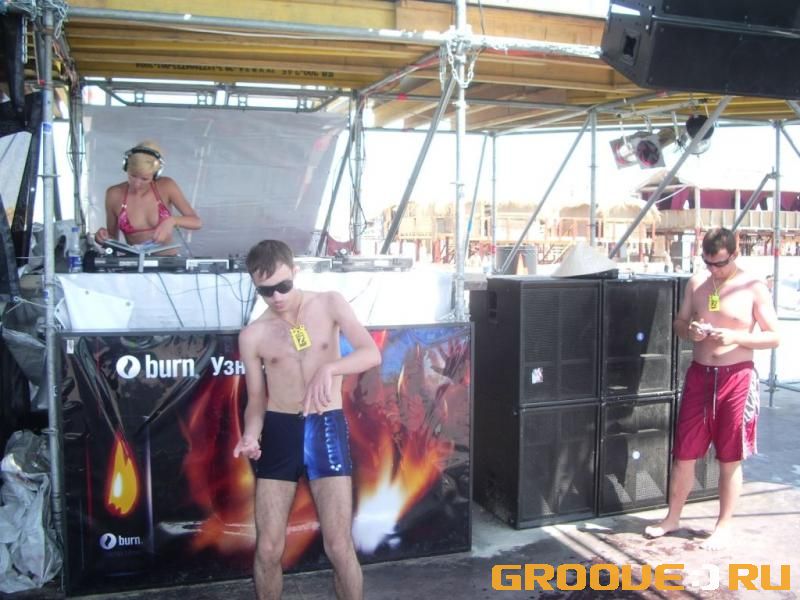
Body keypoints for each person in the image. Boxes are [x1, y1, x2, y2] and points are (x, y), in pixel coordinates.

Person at [234, 239, 381, 600]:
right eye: (266, 291)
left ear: (295, 273)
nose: (277, 297)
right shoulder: (253, 334)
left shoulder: (329, 303)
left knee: (338, 545)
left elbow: (370, 353)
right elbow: (256, 399)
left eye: (283, 286)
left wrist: (330, 368)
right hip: (280, 428)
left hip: (324, 424)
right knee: (268, 547)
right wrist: (251, 435)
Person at [645, 227, 779, 549]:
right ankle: (672, 517)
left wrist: (736, 337)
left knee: (730, 457)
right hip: (700, 376)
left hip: (736, 378)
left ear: (735, 254)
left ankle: (724, 524)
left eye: (719, 263)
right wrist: (690, 330)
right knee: (684, 453)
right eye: (708, 263)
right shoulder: (697, 283)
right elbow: (679, 323)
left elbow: (774, 336)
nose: (714, 269)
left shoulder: (753, 287)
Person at [94, 141, 202, 254]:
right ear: (126, 168)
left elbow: (197, 222)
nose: (137, 184)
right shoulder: (114, 194)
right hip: (135, 261)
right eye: (132, 176)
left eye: (144, 179)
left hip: (168, 260)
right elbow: (112, 239)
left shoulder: (166, 186)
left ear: (156, 175)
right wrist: (103, 237)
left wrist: (172, 221)